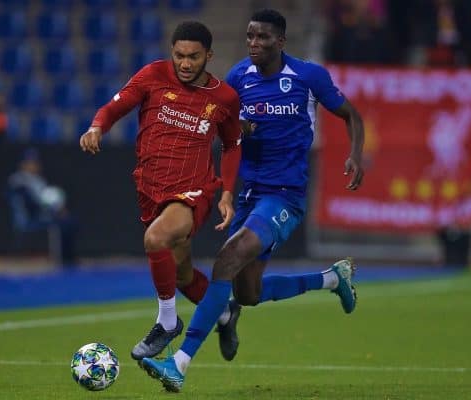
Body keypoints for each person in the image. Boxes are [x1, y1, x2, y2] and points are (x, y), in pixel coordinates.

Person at [140, 9, 365, 392]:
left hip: (284, 196)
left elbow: (351, 115)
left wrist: (355, 155)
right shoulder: (239, 78)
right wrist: (233, 134)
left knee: (226, 259)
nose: (253, 44)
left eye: (262, 38)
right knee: (248, 293)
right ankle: (331, 278)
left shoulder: (308, 77)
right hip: (248, 193)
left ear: (281, 41)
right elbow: (223, 129)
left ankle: (179, 362)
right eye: (249, 37)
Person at [79, 21, 242, 361]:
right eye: (179, 55)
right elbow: (113, 108)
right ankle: (226, 314)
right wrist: (97, 127)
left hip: (193, 191)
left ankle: (167, 322)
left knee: (155, 239)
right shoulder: (153, 75)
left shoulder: (224, 98)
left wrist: (226, 193)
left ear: (208, 56)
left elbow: (231, 145)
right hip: (151, 188)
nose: (185, 63)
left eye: (194, 57)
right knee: (182, 275)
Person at [7, 148, 77, 266]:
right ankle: (63, 260)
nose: (34, 165)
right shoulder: (18, 180)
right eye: (30, 162)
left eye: (35, 162)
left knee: (69, 221)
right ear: (23, 164)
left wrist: (55, 209)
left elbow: (46, 197)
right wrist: (53, 210)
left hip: (41, 213)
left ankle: (68, 258)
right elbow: (30, 203)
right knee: (63, 222)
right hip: (28, 217)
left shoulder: (38, 180)